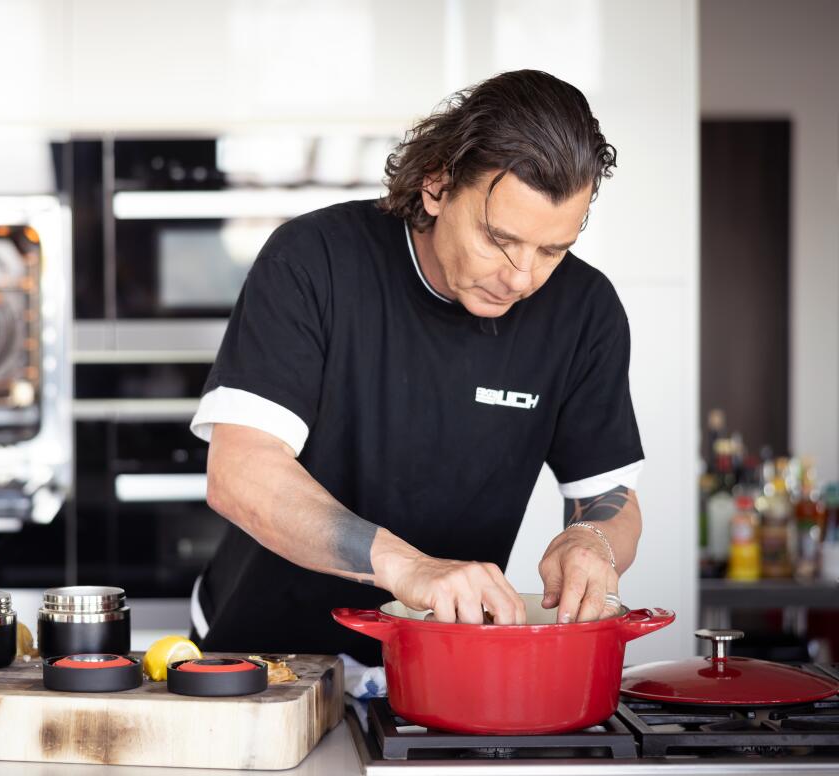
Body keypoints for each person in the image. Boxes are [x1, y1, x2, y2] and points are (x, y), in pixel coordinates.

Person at [187, 70, 643, 666]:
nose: (522, 276)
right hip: (265, 654)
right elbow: (240, 471)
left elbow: (610, 495)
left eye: (552, 250)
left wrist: (594, 542)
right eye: (500, 239)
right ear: (436, 185)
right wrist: (410, 568)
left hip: (439, 665)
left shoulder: (584, 311)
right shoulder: (314, 260)